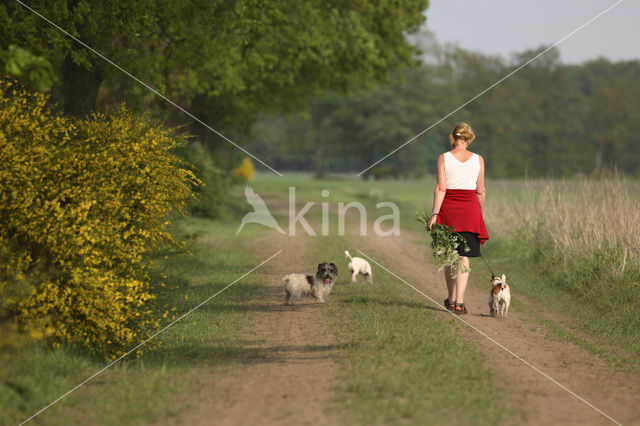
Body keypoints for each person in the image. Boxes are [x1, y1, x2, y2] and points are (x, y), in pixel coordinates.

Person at [428, 122, 488, 314]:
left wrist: (435, 214)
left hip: (449, 211)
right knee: (464, 257)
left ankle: (451, 299)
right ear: (469, 139)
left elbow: (441, 188)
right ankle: (460, 302)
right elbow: (480, 191)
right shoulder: (479, 159)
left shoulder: (443, 158)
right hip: (470, 211)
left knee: (449, 255)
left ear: (453, 138)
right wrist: (481, 214)